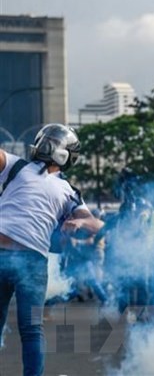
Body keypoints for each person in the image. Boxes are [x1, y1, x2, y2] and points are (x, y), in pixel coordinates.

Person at [0, 124, 103, 376]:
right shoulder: (17, 166)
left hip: (30, 261)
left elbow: (96, 224)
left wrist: (79, 221)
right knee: (31, 329)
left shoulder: (69, 191)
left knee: (32, 328)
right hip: (17, 258)